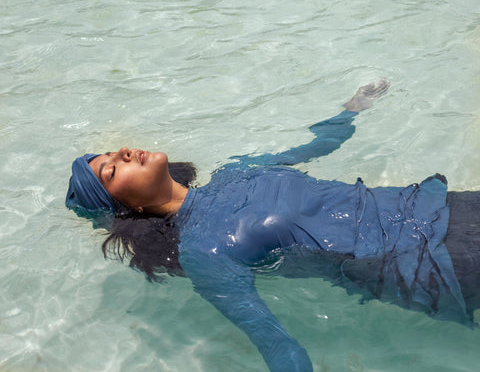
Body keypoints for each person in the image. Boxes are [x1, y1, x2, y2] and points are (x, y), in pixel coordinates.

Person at [65, 80, 480, 372]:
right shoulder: (203, 253)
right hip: (427, 263)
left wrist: (351, 108)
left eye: (112, 153)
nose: (122, 152)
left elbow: (315, 148)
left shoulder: (235, 170)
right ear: (129, 209)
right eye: (110, 172)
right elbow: (276, 342)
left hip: (434, 206)